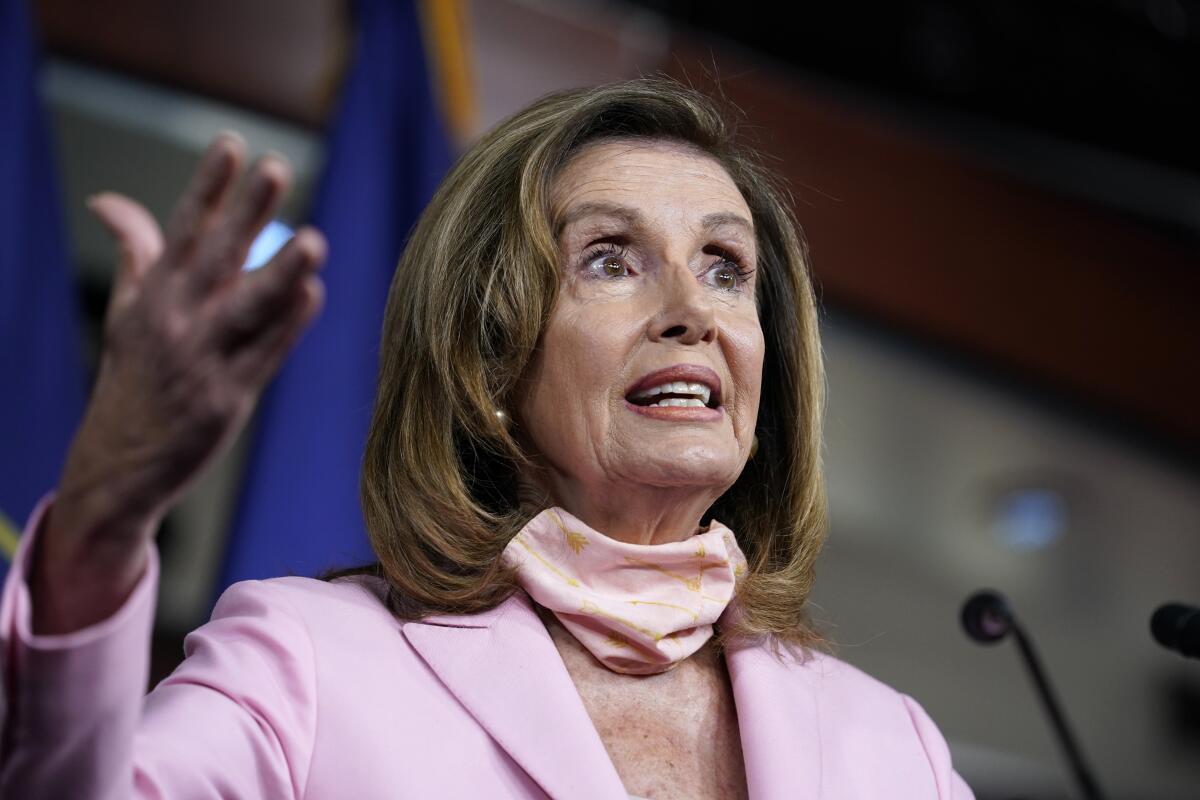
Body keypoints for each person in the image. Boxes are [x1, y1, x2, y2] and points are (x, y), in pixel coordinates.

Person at [0, 79, 973, 799]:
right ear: (490, 360)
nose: (691, 310)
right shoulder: (309, 662)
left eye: (725, 266)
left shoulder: (892, 747)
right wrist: (106, 511)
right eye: (609, 259)